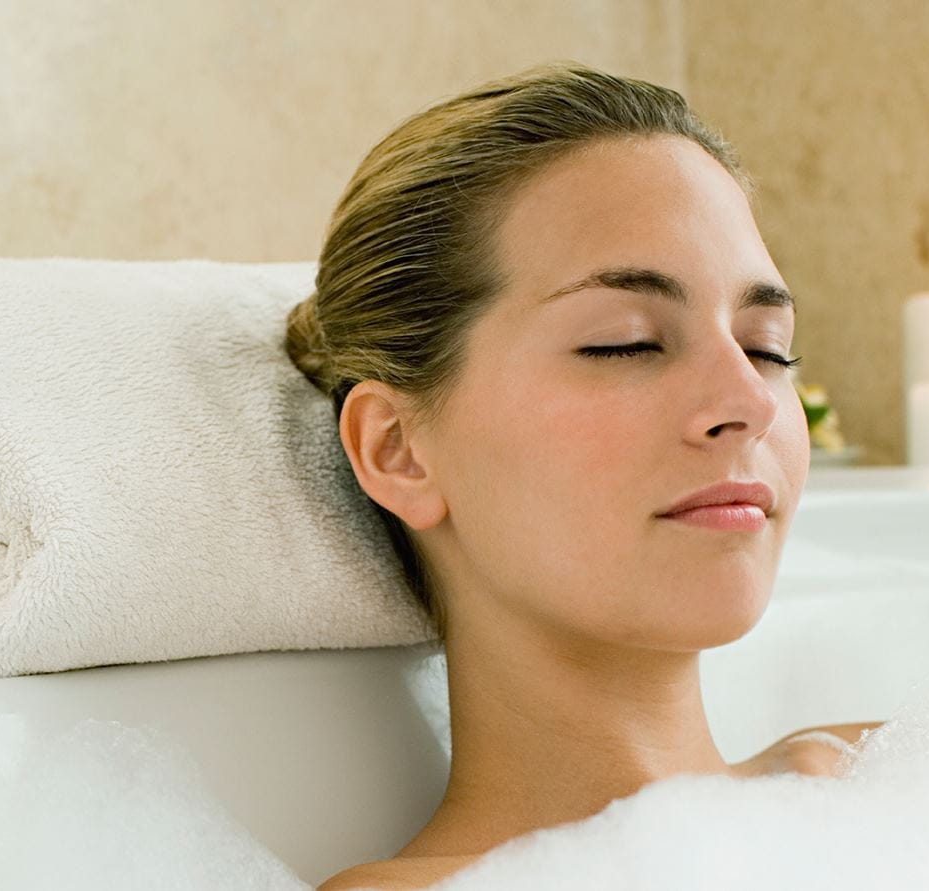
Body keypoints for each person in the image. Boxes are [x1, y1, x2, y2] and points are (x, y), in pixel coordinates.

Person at [282, 61, 884, 891]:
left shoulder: (900, 780)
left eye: (766, 347)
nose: (750, 400)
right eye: (625, 342)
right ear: (398, 449)